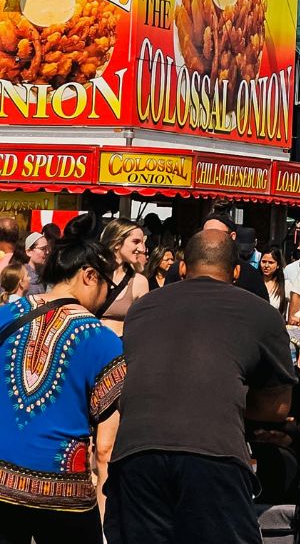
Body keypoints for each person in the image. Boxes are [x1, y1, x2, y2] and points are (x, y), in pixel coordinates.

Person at [104, 229, 295, 544]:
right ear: (235, 272)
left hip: (136, 453)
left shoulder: (143, 308)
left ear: (182, 268)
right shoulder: (261, 313)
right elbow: (278, 407)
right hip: (214, 453)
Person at [0, 214, 124, 542]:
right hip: (64, 496)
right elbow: (106, 446)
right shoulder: (104, 341)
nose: (106, 297)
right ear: (88, 275)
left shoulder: (4, 316)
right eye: (107, 287)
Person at [99, 218, 149, 336]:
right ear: (117, 243)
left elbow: (143, 326)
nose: (142, 249)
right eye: (136, 242)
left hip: (121, 350)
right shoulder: (93, 275)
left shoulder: (139, 282)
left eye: (142, 243)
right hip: (89, 348)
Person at [200, 215, 269, 300]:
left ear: (232, 236)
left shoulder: (250, 275)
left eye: (216, 233)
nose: (210, 238)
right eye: (205, 234)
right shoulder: (189, 268)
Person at [259, 247, 286, 313]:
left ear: (278, 265)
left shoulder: (285, 285)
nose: (266, 265)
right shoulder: (254, 281)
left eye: (271, 262)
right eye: (264, 261)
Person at [23, 231, 49, 296]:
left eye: (47, 248)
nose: (47, 252)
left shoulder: (45, 274)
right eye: (43, 249)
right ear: (29, 252)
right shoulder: (21, 275)